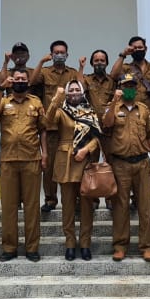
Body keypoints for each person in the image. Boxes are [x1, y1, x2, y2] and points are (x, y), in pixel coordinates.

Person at [0, 66, 47, 261]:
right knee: (9, 206)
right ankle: (9, 247)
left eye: (23, 78)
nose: (20, 81)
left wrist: (45, 153)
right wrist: (0, 88)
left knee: (32, 206)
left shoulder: (36, 102)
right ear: (12, 81)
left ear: (28, 81)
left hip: (32, 159)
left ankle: (32, 247)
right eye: (17, 79)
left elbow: (43, 130)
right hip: (8, 160)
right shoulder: (4, 101)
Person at [102, 74, 150, 261]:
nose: (129, 89)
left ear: (137, 87)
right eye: (126, 85)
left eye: (132, 85)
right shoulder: (113, 108)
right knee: (121, 207)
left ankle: (147, 246)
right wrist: (113, 102)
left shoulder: (144, 109)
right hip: (120, 164)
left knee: (145, 207)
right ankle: (120, 245)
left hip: (142, 162)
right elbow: (106, 124)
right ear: (120, 87)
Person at [45, 79, 101, 260]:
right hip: (66, 161)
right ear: (67, 93)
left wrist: (86, 150)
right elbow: (47, 121)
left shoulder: (90, 112)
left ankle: (85, 243)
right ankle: (70, 243)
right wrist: (57, 98)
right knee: (67, 207)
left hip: (85, 161)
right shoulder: (61, 111)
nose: (75, 92)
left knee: (86, 206)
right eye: (72, 90)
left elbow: (97, 137)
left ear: (83, 92)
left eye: (78, 89)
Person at [31, 40, 83, 213]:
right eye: (56, 52)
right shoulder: (45, 72)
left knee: (73, 164)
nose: (59, 54)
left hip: (70, 126)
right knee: (50, 165)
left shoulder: (73, 73)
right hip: (52, 125)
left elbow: (82, 89)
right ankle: (51, 199)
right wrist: (40, 62)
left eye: (62, 52)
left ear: (67, 54)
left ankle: (74, 199)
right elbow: (31, 82)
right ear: (51, 54)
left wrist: (81, 69)